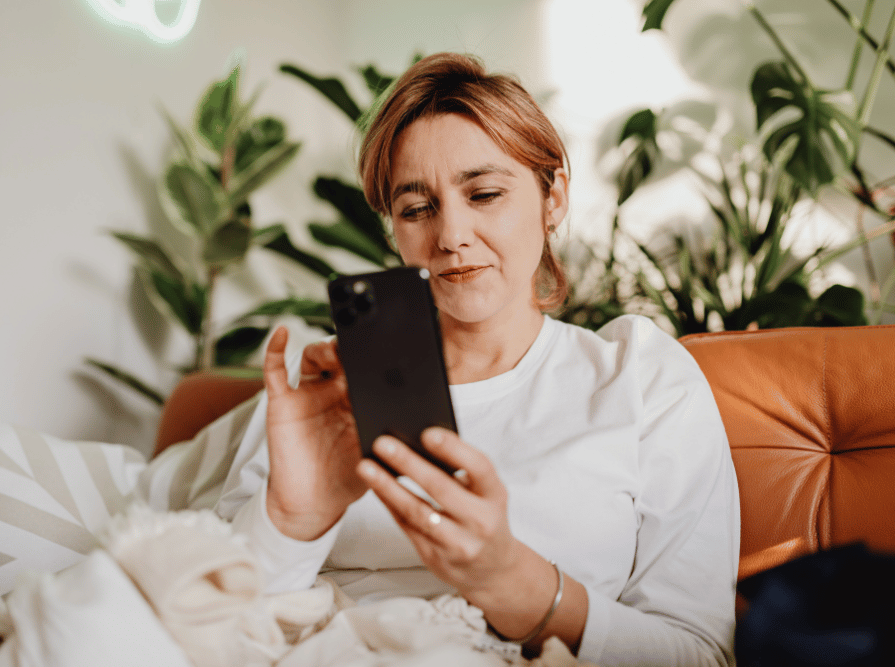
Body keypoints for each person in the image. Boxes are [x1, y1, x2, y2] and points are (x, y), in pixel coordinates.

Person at [214, 52, 740, 666]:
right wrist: (290, 520)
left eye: (484, 193)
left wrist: (511, 583)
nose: (450, 236)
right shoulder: (327, 385)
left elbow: (702, 656)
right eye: (416, 209)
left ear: (554, 198)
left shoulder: (639, 376)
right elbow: (211, 627)